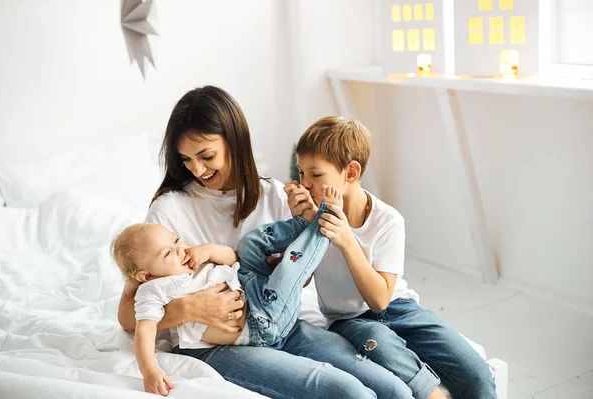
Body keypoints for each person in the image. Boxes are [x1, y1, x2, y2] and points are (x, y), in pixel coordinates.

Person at [117, 86, 413, 398]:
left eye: (206, 156)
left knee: (393, 390)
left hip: (284, 323)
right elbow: (127, 314)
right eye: (186, 159)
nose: (197, 169)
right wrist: (189, 308)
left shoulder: (274, 194)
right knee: (350, 393)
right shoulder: (169, 209)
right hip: (218, 343)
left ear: (235, 143)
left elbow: (303, 276)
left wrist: (295, 244)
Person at [285, 116, 498, 399]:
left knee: (475, 371)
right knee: (383, 345)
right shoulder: (313, 217)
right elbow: (299, 281)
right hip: (350, 319)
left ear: (351, 173)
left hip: (400, 308)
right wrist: (306, 228)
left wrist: (347, 239)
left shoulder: (388, 220)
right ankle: (434, 395)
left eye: (316, 175)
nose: (306, 184)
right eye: (301, 174)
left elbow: (380, 300)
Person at [113, 188, 342, 395]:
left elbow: (233, 259)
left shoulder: (191, 260)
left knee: (250, 242)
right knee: (288, 271)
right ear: (147, 275)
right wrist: (149, 370)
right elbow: (144, 331)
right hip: (261, 322)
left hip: (252, 288)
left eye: (176, 240)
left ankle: (302, 224)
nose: (180, 249)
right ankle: (324, 224)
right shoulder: (153, 290)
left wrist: (209, 251)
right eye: (167, 253)